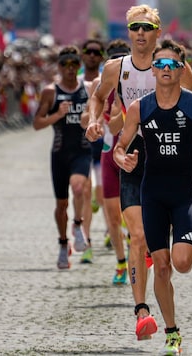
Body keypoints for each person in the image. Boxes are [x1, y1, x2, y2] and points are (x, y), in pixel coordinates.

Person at [84, 4, 192, 342]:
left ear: (157, 32)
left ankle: (188, 249)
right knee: (137, 236)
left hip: (168, 162)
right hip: (133, 158)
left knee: (168, 257)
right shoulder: (116, 68)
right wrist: (96, 120)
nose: (140, 34)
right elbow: (98, 97)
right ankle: (141, 314)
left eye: (146, 28)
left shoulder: (177, 67)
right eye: (134, 27)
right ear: (128, 31)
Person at [113, 39, 192, 356]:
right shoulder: (139, 108)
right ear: (152, 70)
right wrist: (123, 159)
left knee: (182, 263)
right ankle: (172, 333)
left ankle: (191, 249)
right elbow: (119, 147)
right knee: (161, 266)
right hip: (152, 194)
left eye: (171, 65)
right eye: (160, 64)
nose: (165, 69)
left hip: (182, 195)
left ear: (181, 69)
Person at [33, 46, 92, 269]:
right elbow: (37, 123)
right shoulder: (51, 92)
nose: (70, 69)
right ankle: (62, 243)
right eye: (65, 64)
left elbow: (97, 115)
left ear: (79, 66)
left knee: (78, 187)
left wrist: (89, 116)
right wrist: (57, 115)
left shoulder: (87, 89)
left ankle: (77, 226)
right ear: (59, 66)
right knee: (61, 204)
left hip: (82, 150)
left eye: (74, 64)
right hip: (59, 153)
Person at [83, 39, 132, 285]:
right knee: (112, 215)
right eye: (114, 60)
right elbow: (89, 116)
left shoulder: (139, 82)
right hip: (108, 152)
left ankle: (136, 252)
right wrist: (91, 121)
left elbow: (116, 122)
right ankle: (121, 262)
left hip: (133, 153)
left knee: (134, 214)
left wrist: (119, 110)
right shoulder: (98, 83)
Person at [77, 38, 107, 264]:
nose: (93, 56)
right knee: (86, 194)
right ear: (83, 55)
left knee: (103, 195)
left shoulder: (107, 81)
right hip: (83, 146)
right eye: (88, 51)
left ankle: (110, 231)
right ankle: (86, 242)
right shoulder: (76, 82)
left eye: (97, 52)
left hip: (105, 145)